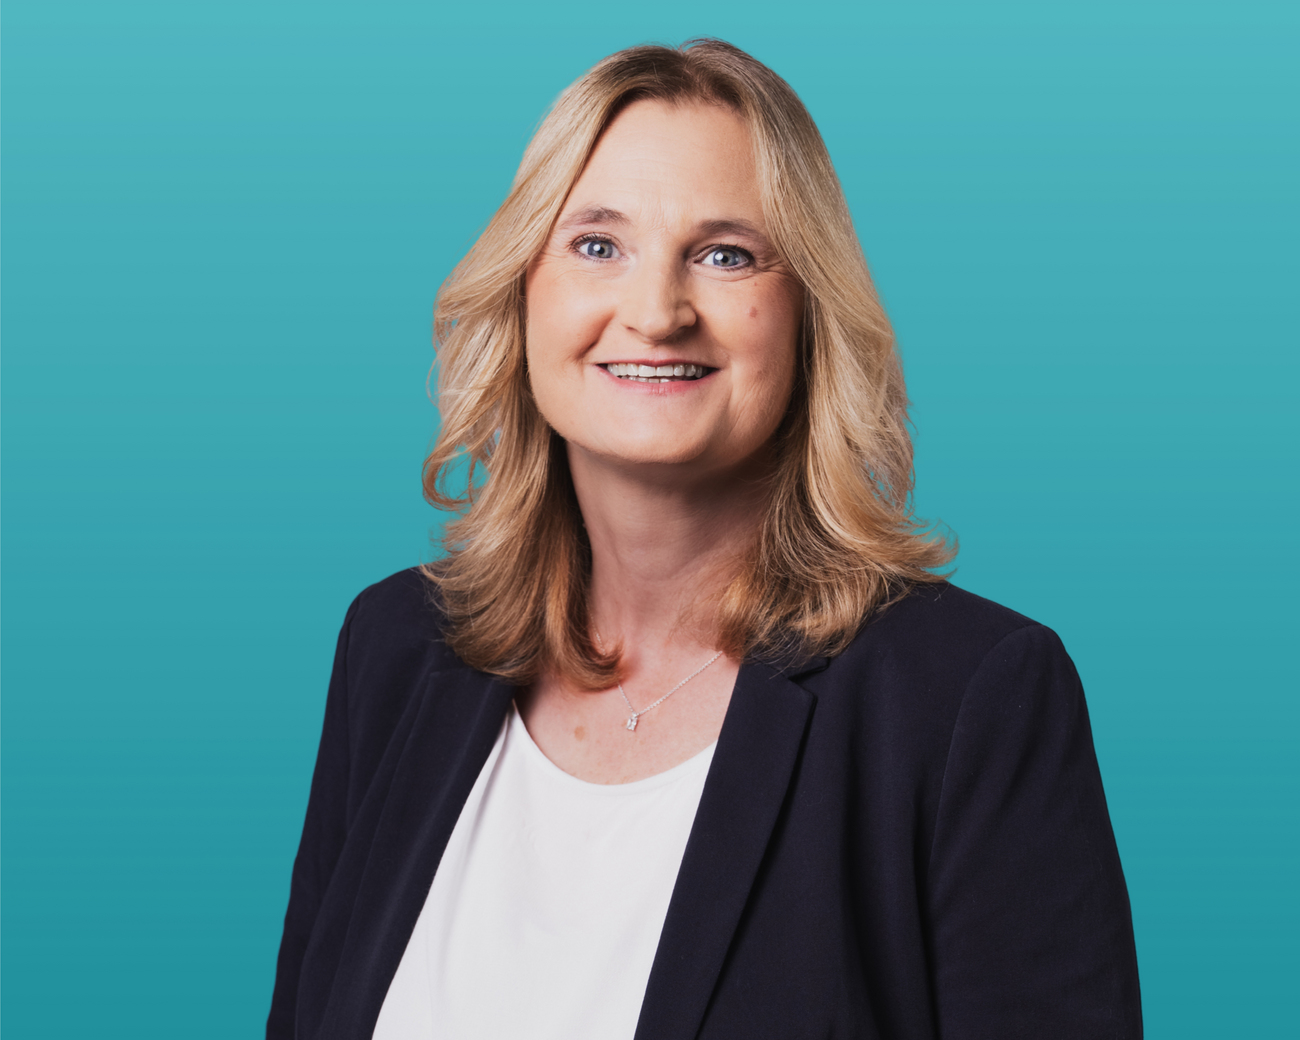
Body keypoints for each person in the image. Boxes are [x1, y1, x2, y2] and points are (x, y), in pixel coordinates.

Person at [268, 39, 1141, 1040]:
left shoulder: (968, 700)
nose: (656, 313)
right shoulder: (393, 649)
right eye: (597, 244)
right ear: (522, 290)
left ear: (807, 314)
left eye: (725, 254)